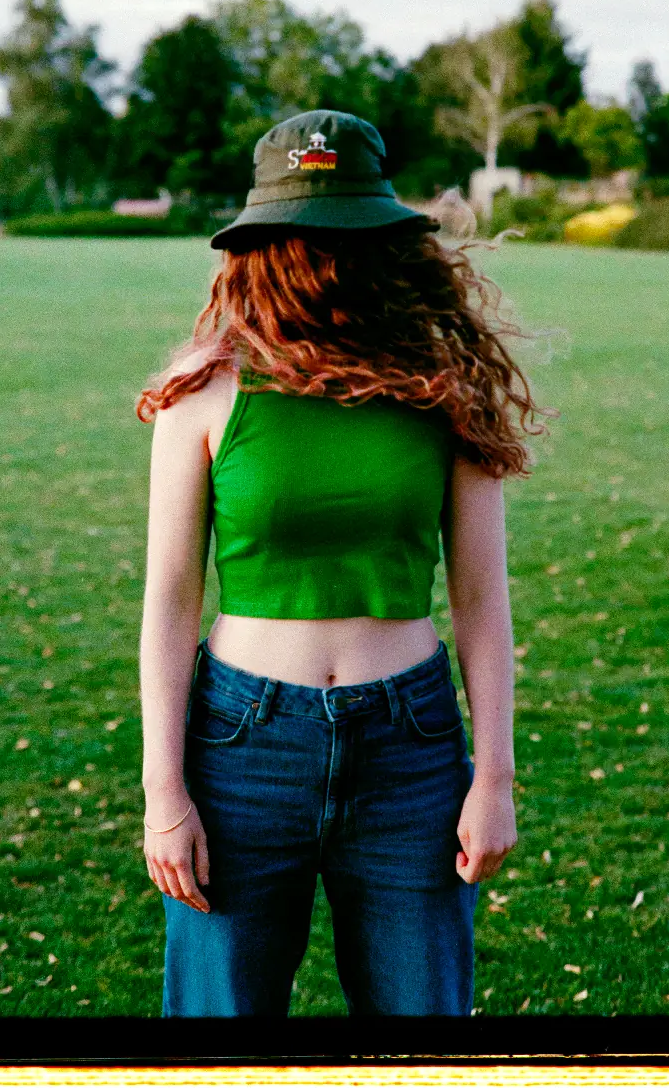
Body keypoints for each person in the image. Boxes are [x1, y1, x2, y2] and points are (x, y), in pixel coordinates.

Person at [135, 109, 544, 1018]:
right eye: (304, 239)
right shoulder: (202, 395)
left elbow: (481, 600)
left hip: (411, 751)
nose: (328, 260)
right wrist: (165, 791)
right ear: (263, 247)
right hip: (242, 747)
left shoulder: (447, 390)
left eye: (347, 236)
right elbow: (169, 603)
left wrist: (496, 779)